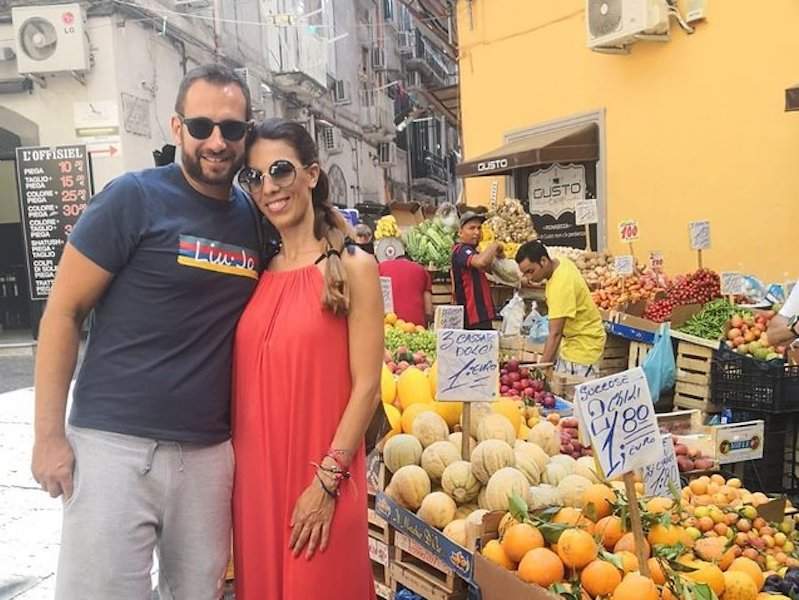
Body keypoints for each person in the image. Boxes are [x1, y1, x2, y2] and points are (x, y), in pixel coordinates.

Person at [31, 64, 261, 599]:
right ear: (176, 127)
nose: (216, 142)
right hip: (114, 446)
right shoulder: (131, 198)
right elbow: (62, 312)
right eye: (201, 126)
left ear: (246, 134)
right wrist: (47, 437)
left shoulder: (253, 219)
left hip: (208, 456)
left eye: (231, 129)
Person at [232, 118, 381, 600]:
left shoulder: (354, 268)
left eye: (280, 170)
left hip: (321, 485)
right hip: (257, 491)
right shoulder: (258, 271)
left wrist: (327, 483)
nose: (268, 187)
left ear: (311, 175)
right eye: (254, 177)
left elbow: (367, 386)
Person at [515, 241, 606, 376]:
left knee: (570, 394)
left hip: (583, 349)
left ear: (544, 261)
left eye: (530, 271)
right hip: (574, 344)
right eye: (525, 273)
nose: (528, 277)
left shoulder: (561, 285)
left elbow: (555, 334)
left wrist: (540, 371)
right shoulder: (560, 263)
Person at [451, 211, 502, 330]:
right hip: (472, 316)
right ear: (460, 232)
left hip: (482, 314)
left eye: (479, 228)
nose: (477, 232)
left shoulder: (475, 251)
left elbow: (488, 268)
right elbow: (481, 262)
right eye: (471, 228)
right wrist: (495, 245)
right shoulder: (461, 250)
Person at [378, 250, 433, 327]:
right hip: (415, 326)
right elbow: (429, 311)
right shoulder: (422, 270)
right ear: (412, 261)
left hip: (388, 323)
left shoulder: (381, 266)